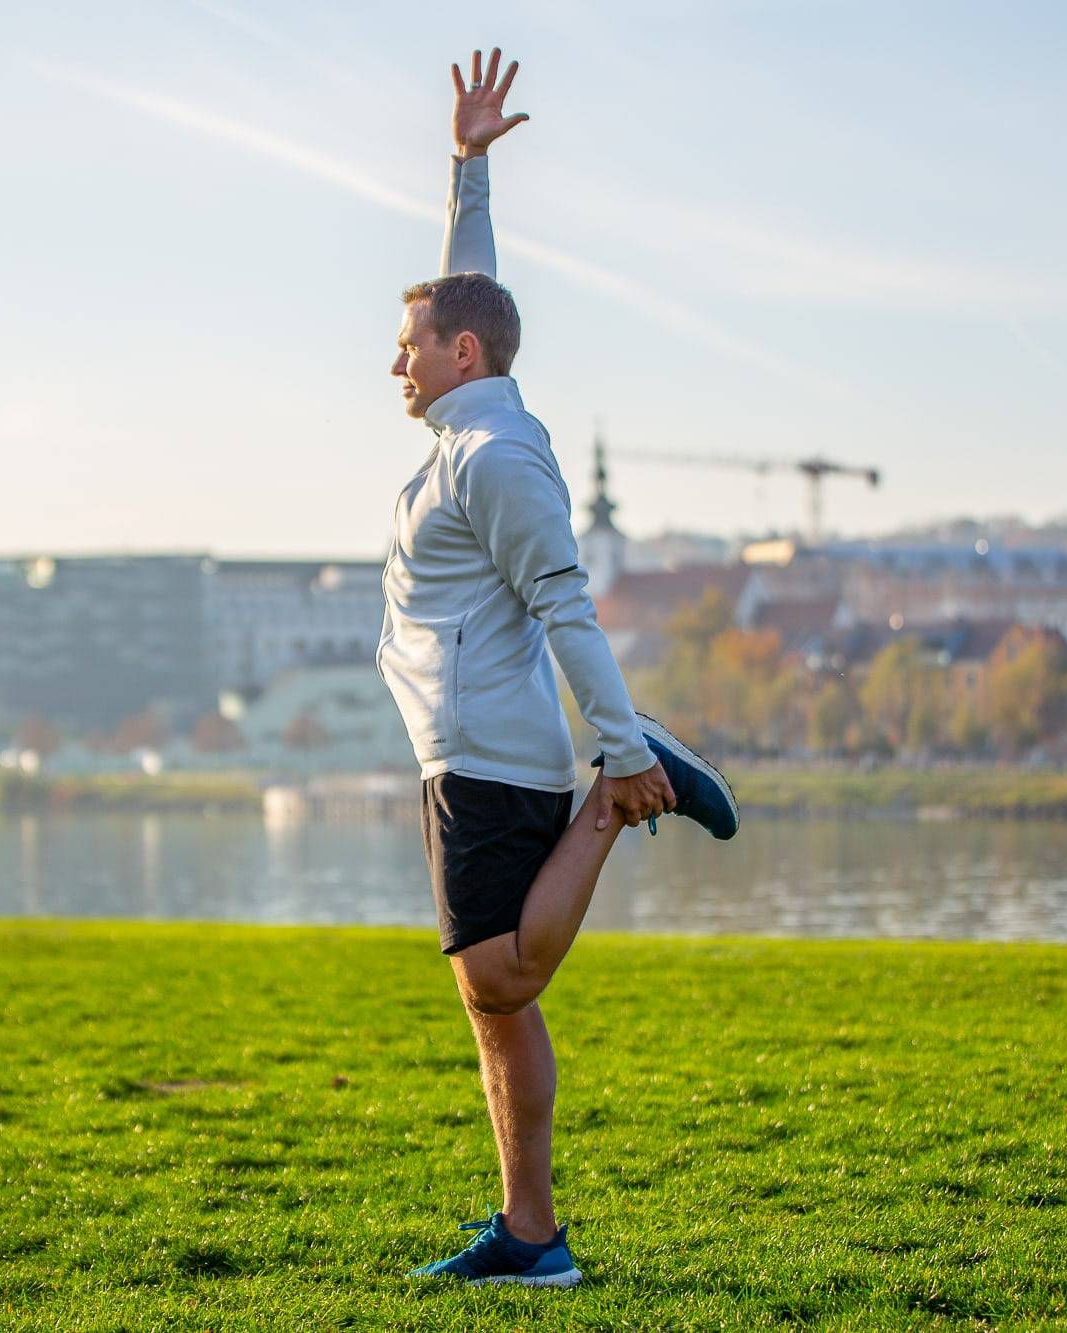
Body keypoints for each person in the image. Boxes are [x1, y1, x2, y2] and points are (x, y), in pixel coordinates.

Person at [378, 47, 738, 1289]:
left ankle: (628, 792)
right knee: (496, 1002)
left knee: (498, 968)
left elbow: (565, 605)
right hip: (462, 744)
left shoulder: (496, 459)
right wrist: (467, 169)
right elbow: (469, 285)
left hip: (489, 745)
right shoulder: (469, 435)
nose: (396, 361)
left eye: (411, 344)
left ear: (463, 354)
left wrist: (621, 749)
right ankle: (530, 1236)